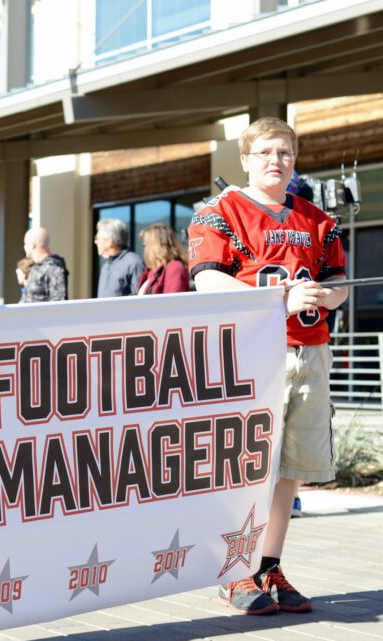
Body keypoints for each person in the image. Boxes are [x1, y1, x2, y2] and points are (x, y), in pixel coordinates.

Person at [188, 116, 347, 615]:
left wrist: (326, 296)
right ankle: (232, 571)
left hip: (309, 350)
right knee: (246, 467)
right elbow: (208, 281)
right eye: (265, 153)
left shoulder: (318, 220)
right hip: (250, 354)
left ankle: (267, 565)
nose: (275, 161)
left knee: (289, 472)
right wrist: (280, 295)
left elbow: (339, 285)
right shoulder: (220, 212)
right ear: (245, 159)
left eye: (284, 153)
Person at [94, 218, 145, 298]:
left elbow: (141, 299)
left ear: (109, 241)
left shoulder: (134, 263)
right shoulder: (105, 266)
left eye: (98, 239)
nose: (95, 242)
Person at [137, 223, 190, 295]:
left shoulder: (175, 268)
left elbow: (173, 302)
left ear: (156, 246)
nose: (145, 248)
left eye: (146, 244)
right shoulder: (152, 271)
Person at [20, 227, 68, 303]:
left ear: (32, 245)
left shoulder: (54, 268)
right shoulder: (36, 267)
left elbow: (58, 302)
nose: (24, 247)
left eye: (25, 244)